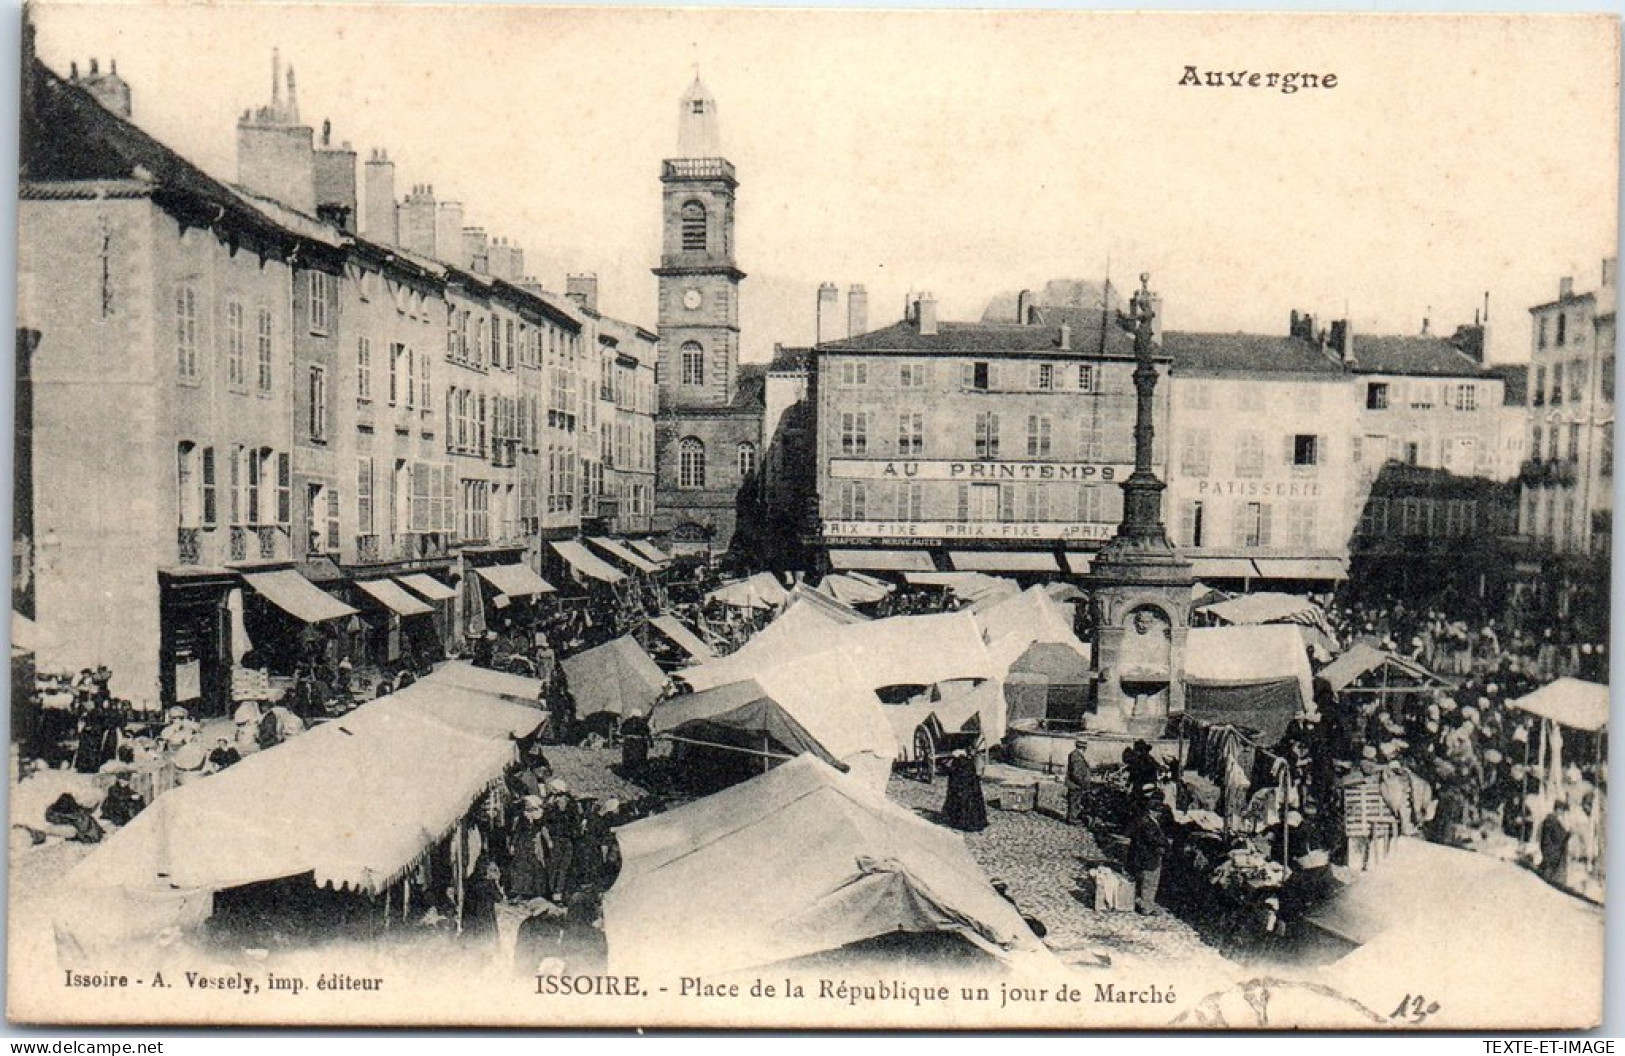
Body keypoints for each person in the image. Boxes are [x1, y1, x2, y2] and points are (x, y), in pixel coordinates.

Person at [1125, 790, 1169, 915]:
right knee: (1150, 882)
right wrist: (1165, 843)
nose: (1159, 814)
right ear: (1151, 811)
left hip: (1141, 854)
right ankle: (1146, 907)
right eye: (1157, 812)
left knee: (1144, 881)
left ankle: (1141, 903)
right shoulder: (1148, 823)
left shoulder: (1142, 820)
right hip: (1150, 855)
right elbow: (1153, 839)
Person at [941, 750, 988, 832]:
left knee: (961, 791)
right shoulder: (969, 762)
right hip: (966, 764)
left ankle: (960, 820)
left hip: (961, 764)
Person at [1539, 800, 1571, 886]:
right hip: (1552, 851)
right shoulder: (1552, 820)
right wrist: (1568, 834)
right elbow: (1558, 837)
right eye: (1561, 810)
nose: (1562, 813)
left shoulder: (1551, 820)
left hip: (1549, 849)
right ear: (1557, 809)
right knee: (1548, 876)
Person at [1065, 738, 1092, 825]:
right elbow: (1076, 773)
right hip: (1075, 784)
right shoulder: (1076, 757)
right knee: (1074, 801)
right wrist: (1082, 783)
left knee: (1075, 800)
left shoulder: (1075, 755)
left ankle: (1073, 817)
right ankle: (1072, 819)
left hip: (1074, 783)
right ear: (1083, 747)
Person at [620, 710, 652, 778]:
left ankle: (627, 773)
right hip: (640, 742)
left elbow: (622, 731)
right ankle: (639, 773)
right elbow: (647, 731)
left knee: (628, 757)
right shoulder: (642, 722)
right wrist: (651, 742)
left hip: (629, 742)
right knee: (640, 757)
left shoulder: (627, 722)